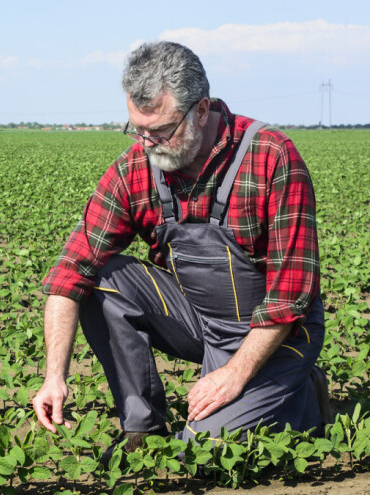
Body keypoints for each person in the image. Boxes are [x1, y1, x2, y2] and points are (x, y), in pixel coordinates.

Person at [31, 41, 331, 464]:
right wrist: (54, 376)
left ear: (202, 110)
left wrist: (233, 374)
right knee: (99, 275)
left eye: (162, 131)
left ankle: (302, 396)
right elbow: (70, 271)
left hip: (277, 334)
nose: (149, 143)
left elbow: (290, 295)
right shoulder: (135, 167)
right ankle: (143, 430)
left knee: (202, 451)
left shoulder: (270, 157)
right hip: (197, 321)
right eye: (138, 129)